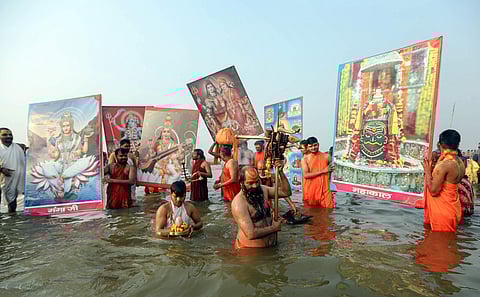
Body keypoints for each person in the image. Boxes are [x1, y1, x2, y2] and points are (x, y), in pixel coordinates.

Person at [231, 163, 291, 248]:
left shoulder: (263, 190)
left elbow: (286, 192)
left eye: (257, 181)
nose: (255, 186)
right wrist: (274, 228)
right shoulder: (238, 203)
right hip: (250, 252)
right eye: (250, 183)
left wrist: (281, 173)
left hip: (271, 247)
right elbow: (251, 234)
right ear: (241, 183)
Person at [423, 129, 465, 232]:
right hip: (454, 208)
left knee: (440, 245)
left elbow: (434, 191)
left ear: (441, 144)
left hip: (443, 212)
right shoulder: (460, 162)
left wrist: (428, 172)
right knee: (447, 245)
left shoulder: (445, 164)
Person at [302, 137, 334, 208]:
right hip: (311, 190)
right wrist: (323, 171)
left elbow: (333, 169)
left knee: (328, 211)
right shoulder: (305, 159)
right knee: (311, 213)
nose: (313, 148)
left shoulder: (326, 156)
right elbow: (306, 175)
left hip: (324, 189)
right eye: (311, 146)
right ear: (307, 147)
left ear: (318, 145)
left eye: (315, 145)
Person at [0, 128, 25, 213]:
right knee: (10, 199)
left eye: (10, 134)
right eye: (4, 135)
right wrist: (2, 169)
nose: (8, 136)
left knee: (15, 200)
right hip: (5, 179)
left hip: (20, 177)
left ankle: (14, 220)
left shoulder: (19, 147)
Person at [108, 139, 138, 205]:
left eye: (128, 146)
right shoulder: (114, 155)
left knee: (131, 199)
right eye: (125, 146)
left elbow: (135, 168)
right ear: (120, 146)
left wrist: (137, 180)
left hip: (129, 181)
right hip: (117, 181)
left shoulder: (132, 156)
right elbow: (110, 168)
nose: (127, 148)